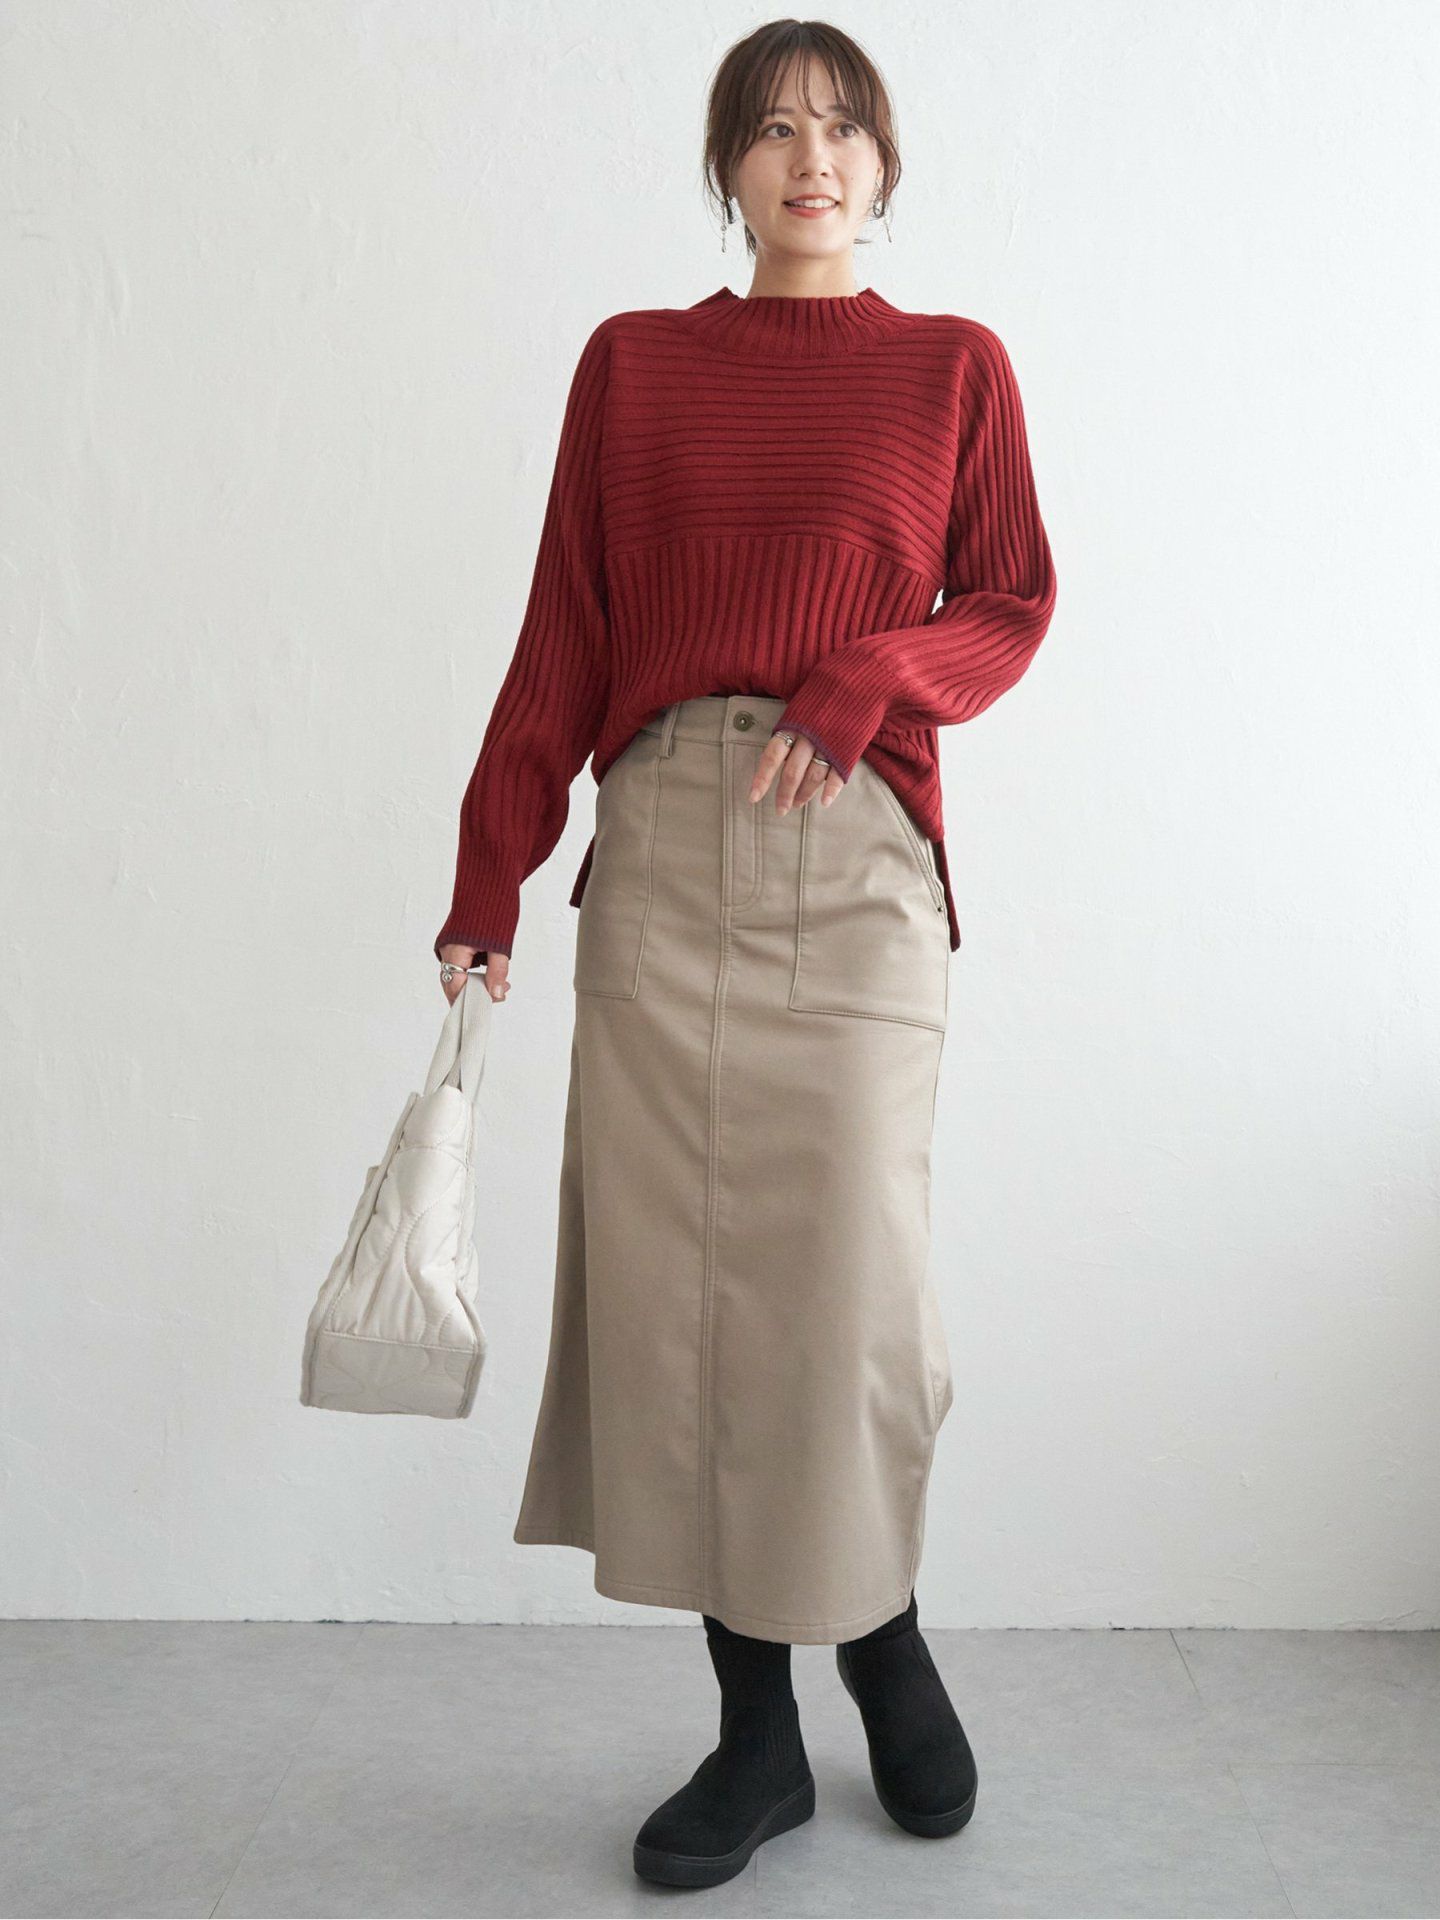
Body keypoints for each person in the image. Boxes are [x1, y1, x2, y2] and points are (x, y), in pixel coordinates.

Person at [434, 18, 1056, 1889]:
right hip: (662, 861)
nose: (811, 158)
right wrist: (487, 877)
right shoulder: (635, 367)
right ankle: (758, 1731)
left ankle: (884, 1634)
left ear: (885, 163)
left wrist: (875, 671)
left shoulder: (954, 369)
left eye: (842, 127)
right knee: (685, 1307)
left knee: (849, 1296)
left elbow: (1012, 601)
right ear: (728, 166)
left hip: (855, 860)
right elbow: (565, 631)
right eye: (774, 129)